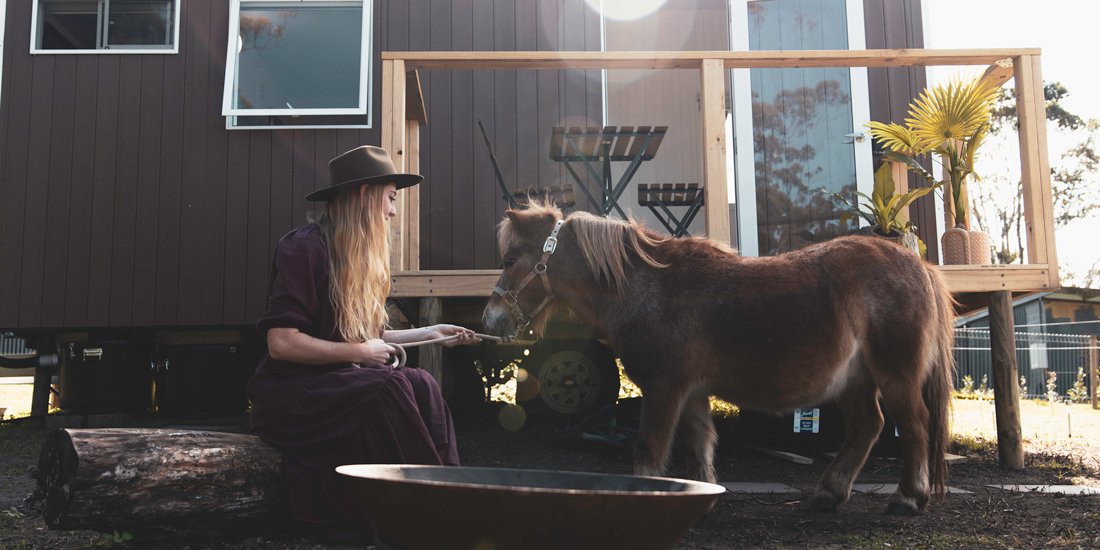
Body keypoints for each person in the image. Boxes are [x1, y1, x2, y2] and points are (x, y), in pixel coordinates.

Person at [247, 145, 478, 543]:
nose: (393, 211)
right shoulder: (302, 248)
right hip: (294, 395)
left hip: (341, 385)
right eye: (390, 198)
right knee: (388, 386)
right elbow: (281, 343)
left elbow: (368, 335)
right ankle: (428, 516)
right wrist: (359, 353)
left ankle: (449, 496)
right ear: (363, 193)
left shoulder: (357, 257)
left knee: (422, 381)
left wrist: (430, 333)